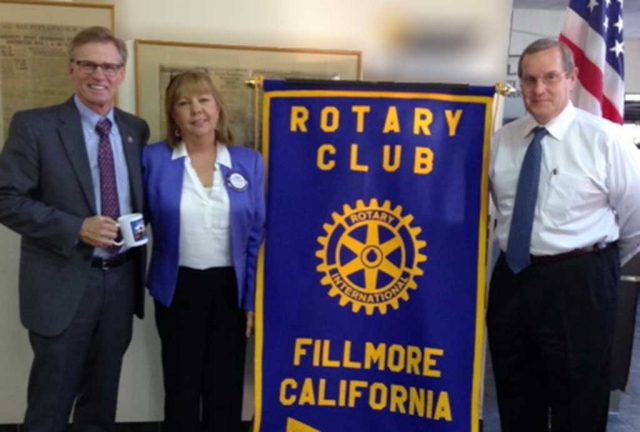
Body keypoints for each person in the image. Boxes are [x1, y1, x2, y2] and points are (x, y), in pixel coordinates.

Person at [0, 26, 149, 432]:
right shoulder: (35, 127)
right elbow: (6, 198)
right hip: (62, 286)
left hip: (119, 283)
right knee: (50, 404)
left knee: (101, 404)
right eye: (88, 64)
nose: (98, 74)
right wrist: (74, 227)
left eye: (109, 66)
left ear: (121, 73)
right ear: (71, 69)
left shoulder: (136, 130)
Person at [487, 37, 640, 432]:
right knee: (516, 393)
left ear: (571, 78)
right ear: (518, 84)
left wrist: (594, 265)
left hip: (580, 283)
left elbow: (635, 222)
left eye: (550, 77)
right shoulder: (501, 141)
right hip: (513, 280)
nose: (539, 90)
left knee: (579, 400)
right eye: (529, 80)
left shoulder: (606, 140)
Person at [142, 70, 265, 432]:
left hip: (230, 289)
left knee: (225, 390)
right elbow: (135, 218)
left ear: (218, 108)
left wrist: (250, 301)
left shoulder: (248, 162)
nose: (196, 110)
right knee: (180, 388)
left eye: (203, 100)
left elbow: (255, 235)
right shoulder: (153, 160)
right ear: (174, 115)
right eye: (184, 102)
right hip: (177, 288)